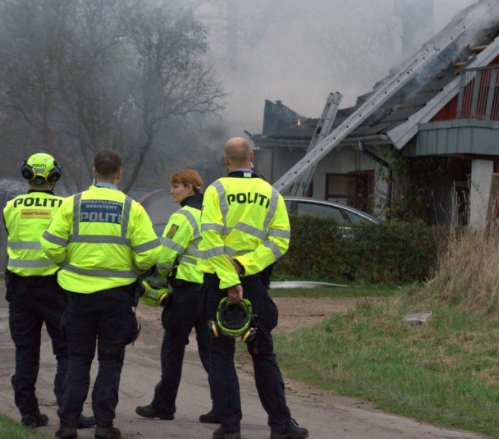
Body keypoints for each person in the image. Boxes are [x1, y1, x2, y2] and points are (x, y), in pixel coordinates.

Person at [41, 149, 161, 439]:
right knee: (110, 360)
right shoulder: (132, 208)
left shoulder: (72, 204)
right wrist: (132, 267)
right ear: (119, 174)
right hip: (116, 298)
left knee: (78, 360)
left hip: (78, 297)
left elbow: (51, 246)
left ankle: (68, 425)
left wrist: (70, 265)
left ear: (94, 172)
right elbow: (149, 253)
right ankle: (104, 426)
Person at [198, 138, 309, 439]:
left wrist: (229, 278)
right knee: (262, 352)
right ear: (252, 157)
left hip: (218, 280)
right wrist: (245, 267)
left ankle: (230, 427)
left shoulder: (216, 190)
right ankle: (281, 424)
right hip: (253, 281)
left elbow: (209, 239)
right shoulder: (271, 193)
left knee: (220, 353)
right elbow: (279, 241)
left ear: (225, 160)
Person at [3, 153, 94, 430]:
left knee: (25, 351)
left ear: (27, 174)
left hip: (20, 290)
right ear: (55, 176)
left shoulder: (11, 206)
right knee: (65, 351)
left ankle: (29, 414)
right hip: (57, 290)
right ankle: (69, 412)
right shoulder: (66, 206)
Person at [135, 170, 219, 423]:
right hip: (209, 292)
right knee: (211, 352)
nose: (172, 191)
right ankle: (223, 407)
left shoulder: (183, 216)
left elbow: (165, 254)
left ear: (191, 188)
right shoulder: (212, 214)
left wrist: (153, 278)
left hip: (185, 294)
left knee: (172, 350)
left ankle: (164, 405)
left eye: (176, 186)